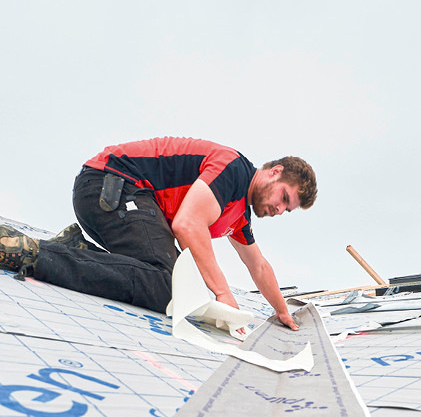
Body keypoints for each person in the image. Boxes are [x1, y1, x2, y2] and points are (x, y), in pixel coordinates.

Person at [0, 137, 317, 330]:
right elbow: (187, 225)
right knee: (168, 284)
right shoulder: (234, 170)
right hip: (111, 182)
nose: (279, 209)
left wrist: (281, 312)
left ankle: (74, 249)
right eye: (284, 198)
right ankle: (30, 253)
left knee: (175, 288)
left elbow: (257, 265)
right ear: (274, 173)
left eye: (286, 210)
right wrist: (222, 294)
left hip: (121, 196)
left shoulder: (238, 213)